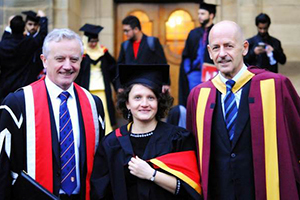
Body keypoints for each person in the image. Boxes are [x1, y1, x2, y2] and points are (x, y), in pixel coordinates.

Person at [186, 20, 300, 200]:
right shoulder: (198, 96)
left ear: (244, 48)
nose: (222, 54)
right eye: (216, 48)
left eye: (229, 46)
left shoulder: (275, 86)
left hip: (263, 191)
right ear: (209, 52)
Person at [0, 28, 105, 200]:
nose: (67, 66)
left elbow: (100, 164)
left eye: (74, 59)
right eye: (59, 59)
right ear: (44, 61)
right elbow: (3, 167)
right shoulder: (18, 103)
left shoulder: (94, 104)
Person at [90, 64, 201, 200]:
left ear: (159, 102)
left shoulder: (178, 139)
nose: (144, 104)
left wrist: (152, 174)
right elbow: (100, 192)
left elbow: (190, 189)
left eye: (151, 97)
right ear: (127, 103)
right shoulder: (111, 144)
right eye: (137, 97)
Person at [76, 23, 118, 134]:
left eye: (95, 41)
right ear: (86, 40)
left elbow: (114, 69)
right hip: (86, 88)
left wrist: (118, 86)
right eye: (91, 41)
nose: (93, 43)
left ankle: (107, 132)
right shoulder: (80, 54)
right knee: (89, 111)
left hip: (102, 87)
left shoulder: (103, 52)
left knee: (104, 110)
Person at [0, 11, 48, 102]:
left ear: (10, 28)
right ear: (24, 28)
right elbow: (42, 35)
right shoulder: (28, 43)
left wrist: (9, 25)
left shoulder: (3, 44)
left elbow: (5, 37)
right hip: (22, 87)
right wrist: (43, 19)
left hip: (5, 86)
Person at [117, 15, 170, 92]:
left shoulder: (152, 42)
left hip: (150, 85)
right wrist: (119, 86)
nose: (125, 33)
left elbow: (162, 63)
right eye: (124, 31)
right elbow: (119, 66)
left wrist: (166, 83)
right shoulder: (125, 45)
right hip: (131, 87)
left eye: (127, 30)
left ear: (136, 29)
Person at [179, 2, 217, 107]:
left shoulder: (217, 31)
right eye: (199, 13)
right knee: (195, 102)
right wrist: (188, 71)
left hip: (212, 74)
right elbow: (186, 54)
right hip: (194, 75)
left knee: (210, 103)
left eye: (202, 14)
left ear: (211, 15)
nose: (199, 16)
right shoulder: (193, 33)